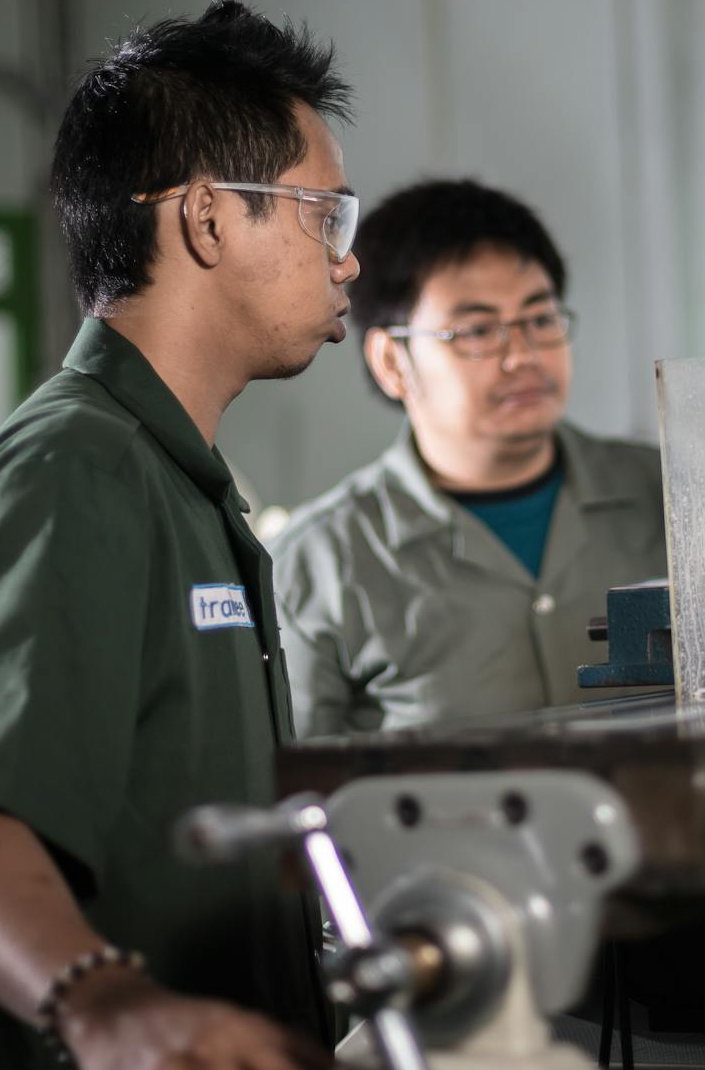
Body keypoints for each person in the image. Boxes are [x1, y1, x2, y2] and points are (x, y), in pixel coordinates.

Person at [0, 0, 357, 1070]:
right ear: (202, 219)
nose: (348, 249)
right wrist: (109, 1006)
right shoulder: (74, 467)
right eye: (322, 208)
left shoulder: (181, 481)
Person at [273, 179, 667, 737]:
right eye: (478, 331)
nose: (523, 357)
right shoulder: (316, 566)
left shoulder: (671, 497)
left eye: (539, 318)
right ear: (392, 361)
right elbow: (297, 792)